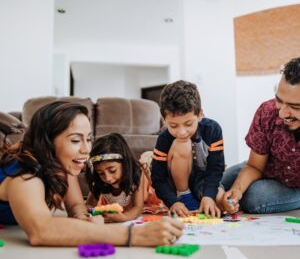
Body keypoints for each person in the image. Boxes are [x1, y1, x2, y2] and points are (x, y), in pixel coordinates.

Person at [0, 101, 183, 246]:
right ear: (47, 143)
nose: (87, 149)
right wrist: (135, 235)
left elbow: (76, 205)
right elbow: (41, 230)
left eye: (88, 139)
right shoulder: (25, 176)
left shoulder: (63, 166)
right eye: (75, 140)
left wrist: (82, 218)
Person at [217, 57, 300, 214]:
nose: (282, 113)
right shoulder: (267, 112)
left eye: (294, 107)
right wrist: (236, 191)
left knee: (254, 198)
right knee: (220, 180)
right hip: (266, 169)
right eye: (279, 100)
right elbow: (254, 166)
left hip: (295, 186)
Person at [151, 80, 225, 218]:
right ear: (164, 120)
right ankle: (185, 197)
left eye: (188, 124)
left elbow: (216, 168)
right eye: (173, 126)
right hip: (176, 185)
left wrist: (209, 196)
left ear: (200, 114)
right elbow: (158, 178)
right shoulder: (163, 139)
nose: (182, 132)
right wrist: (173, 202)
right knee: (182, 143)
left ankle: (201, 199)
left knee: (221, 202)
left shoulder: (213, 129)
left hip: (203, 180)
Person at [85, 133, 167, 222]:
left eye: (112, 170)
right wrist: (90, 213)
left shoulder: (136, 173)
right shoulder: (99, 181)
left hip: (142, 206)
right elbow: (89, 205)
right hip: (117, 212)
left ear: (125, 164)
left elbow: (138, 207)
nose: (107, 178)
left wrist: (124, 217)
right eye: (101, 173)